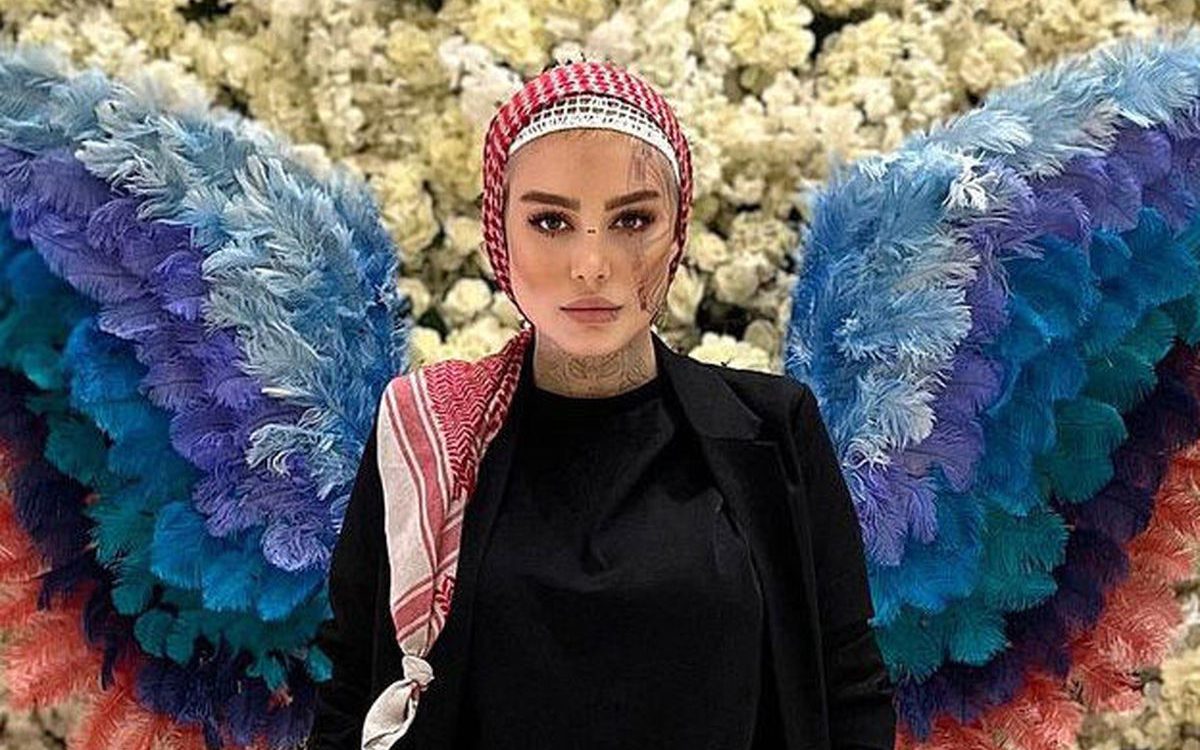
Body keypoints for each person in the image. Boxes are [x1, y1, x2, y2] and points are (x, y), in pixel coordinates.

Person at [307, 60, 896, 750]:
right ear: (499, 234)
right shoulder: (429, 438)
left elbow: (846, 687)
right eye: (551, 221)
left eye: (633, 219)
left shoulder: (774, 432)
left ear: (677, 232)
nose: (592, 264)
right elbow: (354, 682)